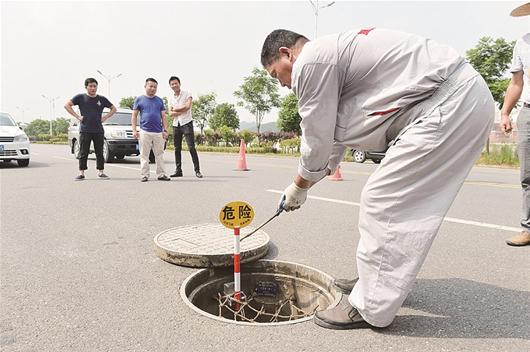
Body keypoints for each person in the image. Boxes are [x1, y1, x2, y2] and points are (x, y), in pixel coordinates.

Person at [261, 28, 494, 329]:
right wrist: (307, 183)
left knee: (383, 200)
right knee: (393, 202)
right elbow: (333, 137)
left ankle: (371, 305)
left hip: (447, 104)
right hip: (454, 101)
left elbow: (316, 137)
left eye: (274, 74)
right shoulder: (334, 57)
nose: (280, 84)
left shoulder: (311, 62)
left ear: (285, 54)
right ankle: (377, 283)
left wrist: (299, 185)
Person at [501, 2, 530, 247]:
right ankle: (528, 229)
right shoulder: (523, 43)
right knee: (528, 175)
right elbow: (516, 83)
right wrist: (505, 112)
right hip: (529, 113)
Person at [64, 78, 116, 180]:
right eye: (90, 86)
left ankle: (101, 172)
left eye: (94, 86)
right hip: (85, 130)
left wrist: (105, 117)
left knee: (99, 152)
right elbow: (67, 105)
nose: (93, 88)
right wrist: (78, 116)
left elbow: (114, 109)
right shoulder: (80, 97)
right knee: (83, 152)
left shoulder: (102, 99)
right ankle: (81, 173)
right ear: (86, 87)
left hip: (98, 130)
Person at [132, 78, 170, 182]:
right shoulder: (139, 99)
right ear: (145, 86)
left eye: (155, 87)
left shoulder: (159, 100)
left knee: (159, 154)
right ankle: (144, 175)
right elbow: (134, 115)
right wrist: (134, 130)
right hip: (145, 131)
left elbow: (163, 116)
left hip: (158, 132)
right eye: (151, 86)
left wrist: (165, 130)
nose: (153, 88)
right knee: (144, 154)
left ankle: (161, 174)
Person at [168, 76, 203, 178]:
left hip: (187, 123)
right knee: (176, 148)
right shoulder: (170, 98)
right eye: (172, 84)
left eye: (176, 83)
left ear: (179, 83)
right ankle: (178, 170)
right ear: (170, 86)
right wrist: (180, 109)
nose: (174, 85)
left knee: (191, 147)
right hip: (176, 124)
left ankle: (197, 170)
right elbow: (170, 113)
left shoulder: (187, 94)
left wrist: (175, 109)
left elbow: (187, 107)